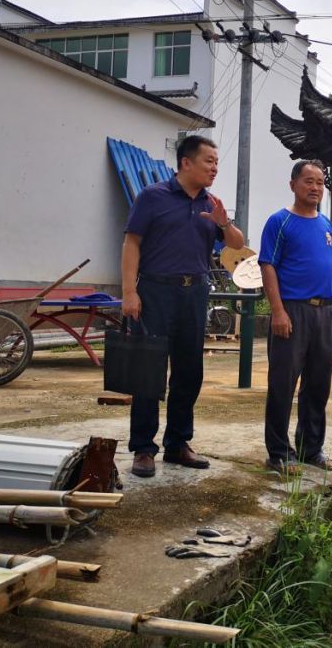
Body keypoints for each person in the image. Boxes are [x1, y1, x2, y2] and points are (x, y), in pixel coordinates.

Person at [122, 134, 245, 479]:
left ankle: (177, 444)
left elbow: (236, 245)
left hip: (195, 294)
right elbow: (131, 242)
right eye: (209, 161)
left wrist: (223, 222)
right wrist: (129, 292)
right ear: (186, 162)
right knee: (149, 371)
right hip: (155, 291)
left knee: (189, 371)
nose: (214, 168)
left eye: (217, 163)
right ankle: (144, 448)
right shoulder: (153, 197)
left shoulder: (212, 203)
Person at [259, 160, 332, 474]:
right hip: (293, 311)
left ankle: (310, 449)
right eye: (308, 181)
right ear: (293, 185)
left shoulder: (326, 225)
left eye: (319, 183)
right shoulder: (279, 222)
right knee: (282, 384)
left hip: (325, 312)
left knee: (318, 385)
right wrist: (278, 311)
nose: (315, 188)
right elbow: (268, 266)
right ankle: (278, 453)